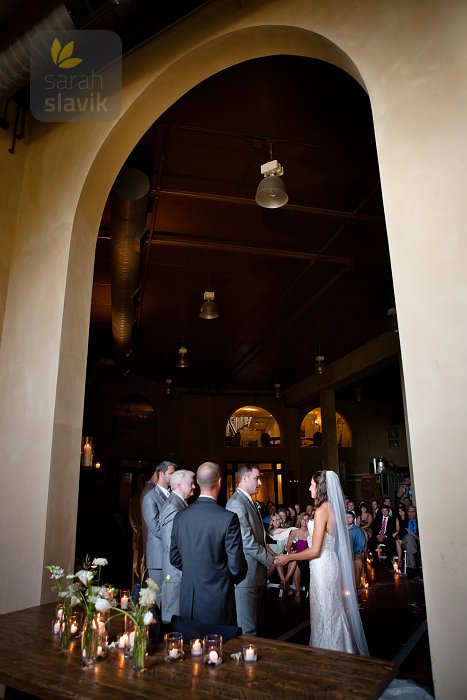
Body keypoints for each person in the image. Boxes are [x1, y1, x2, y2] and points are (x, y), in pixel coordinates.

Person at [275, 470, 368, 655]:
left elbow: (315, 550)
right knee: (331, 611)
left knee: (326, 612)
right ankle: (340, 649)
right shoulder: (332, 508)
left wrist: (289, 557)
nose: (309, 487)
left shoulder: (321, 511)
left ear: (320, 487)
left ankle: (329, 655)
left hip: (322, 565)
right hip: (329, 563)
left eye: (312, 484)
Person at [170, 462, 247, 627]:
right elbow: (237, 567)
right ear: (219, 482)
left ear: (197, 482)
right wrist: (217, 577)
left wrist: (195, 572)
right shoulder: (228, 518)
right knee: (219, 648)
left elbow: (174, 558)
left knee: (190, 650)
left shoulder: (180, 516)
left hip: (187, 600)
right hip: (217, 600)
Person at [226, 463, 274, 635]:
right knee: (247, 628)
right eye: (256, 478)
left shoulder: (248, 501)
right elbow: (247, 541)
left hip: (255, 573)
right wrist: (271, 561)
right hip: (246, 574)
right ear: (244, 478)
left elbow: (258, 534)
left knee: (254, 625)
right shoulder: (237, 504)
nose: (259, 483)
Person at [160, 469, 195, 623]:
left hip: (180, 572)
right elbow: (171, 545)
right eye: (191, 483)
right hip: (176, 574)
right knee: (172, 619)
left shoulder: (180, 503)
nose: (194, 486)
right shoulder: (172, 507)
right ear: (179, 485)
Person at [140, 460, 177, 587]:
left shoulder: (172, 495)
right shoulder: (150, 497)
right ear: (161, 474)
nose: (174, 477)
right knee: (159, 599)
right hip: (158, 557)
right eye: (171, 473)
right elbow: (156, 528)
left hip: (170, 556)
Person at [285, 512, 310, 602]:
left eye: (307, 519)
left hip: (306, 556)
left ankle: (285, 581)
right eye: (303, 519)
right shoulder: (294, 532)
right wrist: (290, 554)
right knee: (295, 563)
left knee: (295, 560)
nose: (304, 521)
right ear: (300, 520)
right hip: (295, 555)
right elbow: (288, 546)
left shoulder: (311, 532)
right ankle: (297, 593)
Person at [266, 513, 293, 595]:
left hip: (280, 555)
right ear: (271, 522)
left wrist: (289, 552)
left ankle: (284, 583)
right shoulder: (269, 532)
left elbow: (286, 546)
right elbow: (267, 547)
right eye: (273, 520)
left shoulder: (283, 532)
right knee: (277, 561)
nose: (276, 522)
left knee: (279, 560)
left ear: (280, 521)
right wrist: (275, 555)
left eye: (277, 520)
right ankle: (286, 586)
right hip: (271, 555)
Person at [347, 511, 367, 589]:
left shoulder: (357, 530)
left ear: (353, 519)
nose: (347, 519)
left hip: (355, 553)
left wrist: (351, 550)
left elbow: (361, 544)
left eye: (350, 517)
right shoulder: (341, 529)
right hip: (343, 553)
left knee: (357, 562)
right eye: (346, 517)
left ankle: (356, 585)